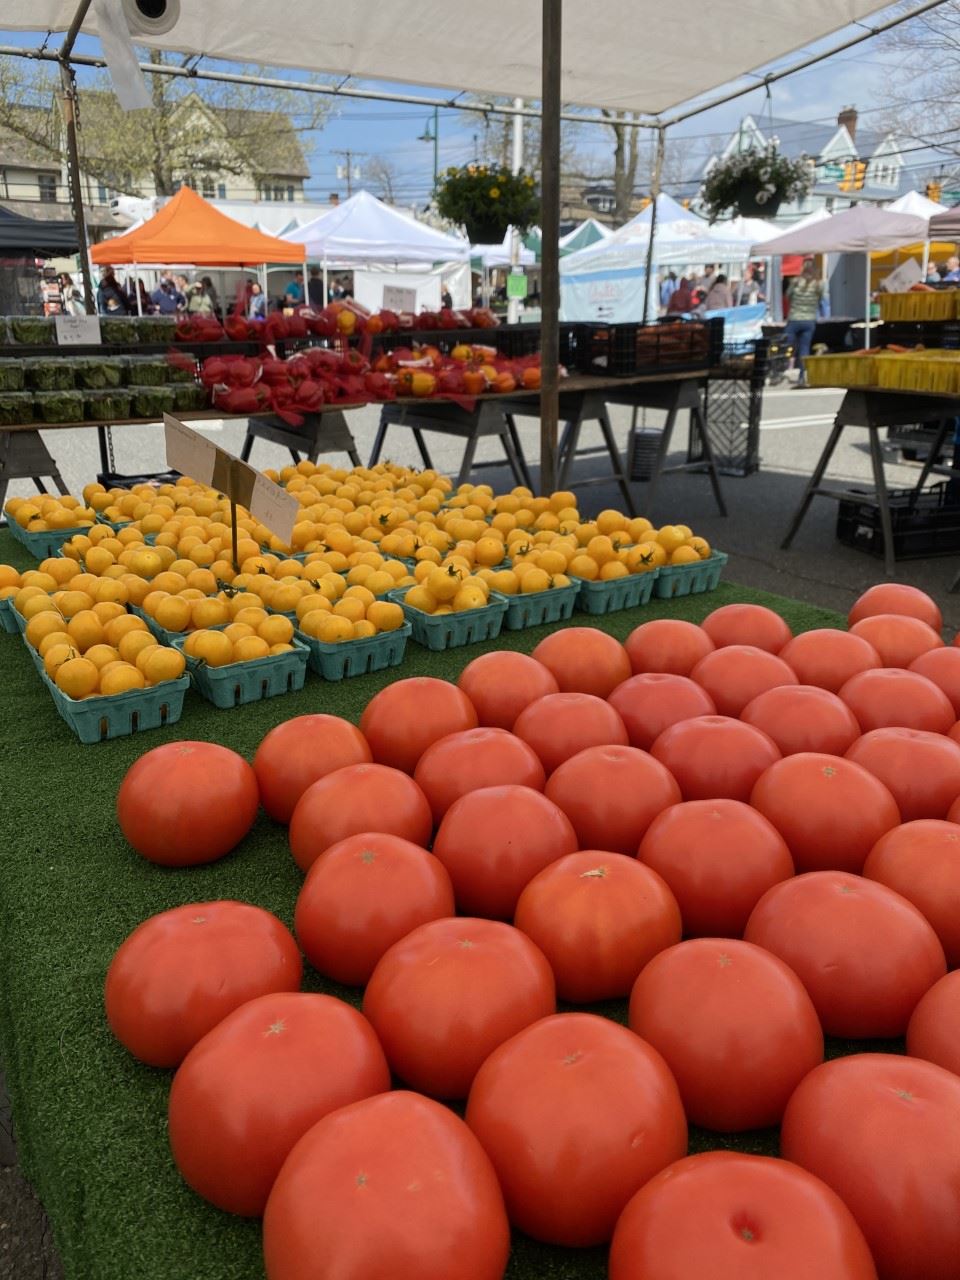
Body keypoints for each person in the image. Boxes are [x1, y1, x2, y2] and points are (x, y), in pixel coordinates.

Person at [784, 258, 825, 387]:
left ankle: (780, 371)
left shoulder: (795, 282)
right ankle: (803, 376)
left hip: (794, 319)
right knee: (804, 348)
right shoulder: (819, 284)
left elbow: (787, 296)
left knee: (786, 345)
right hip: (809, 320)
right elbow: (820, 299)